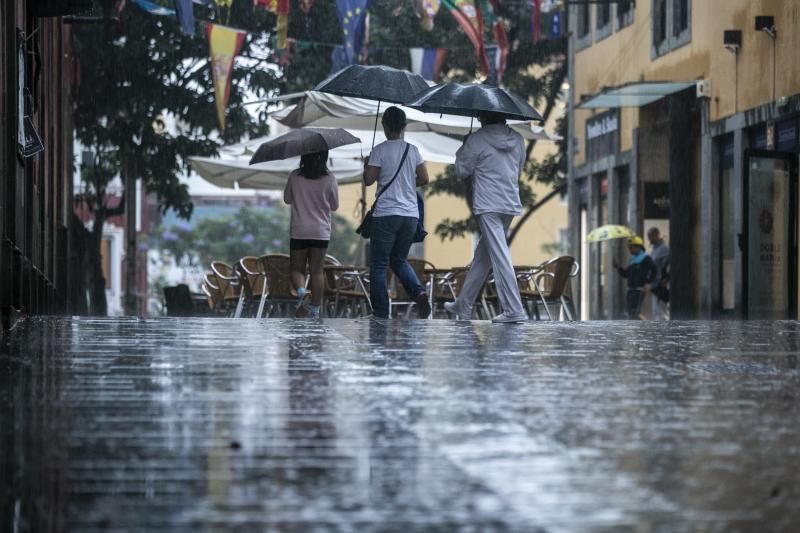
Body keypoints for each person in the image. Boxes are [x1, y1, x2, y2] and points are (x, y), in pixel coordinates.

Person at [444, 110, 528, 324]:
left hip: (488, 204)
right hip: (509, 202)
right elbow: (519, 168)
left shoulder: (477, 140)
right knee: (484, 258)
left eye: (481, 117)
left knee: (499, 255)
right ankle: (463, 304)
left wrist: (465, 146)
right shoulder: (518, 139)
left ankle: (514, 309)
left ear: (484, 118)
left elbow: (461, 170)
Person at [363, 106, 431, 319]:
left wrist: (367, 165)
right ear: (403, 126)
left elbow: (368, 180)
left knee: (379, 264)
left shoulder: (380, 150)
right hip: (410, 216)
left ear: (384, 125)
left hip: (386, 214)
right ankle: (418, 292)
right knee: (399, 260)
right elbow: (425, 179)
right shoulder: (413, 150)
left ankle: (381, 312)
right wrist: (408, 184)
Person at [283, 150, 339, 318]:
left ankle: (302, 291)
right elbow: (334, 205)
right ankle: (315, 310)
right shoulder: (330, 178)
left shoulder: (295, 176)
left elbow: (287, 199)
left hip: (300, 229)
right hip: (320, 231)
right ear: (324, 157)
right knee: (317, 271)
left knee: (296, 270)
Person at [613, 236, 657, 319]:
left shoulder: (646, 258)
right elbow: (626, 274)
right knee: (630, 313)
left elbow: (654, 270)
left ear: (638, 247)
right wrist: (618, 267)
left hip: (639, 289)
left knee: (635, 312)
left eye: (631, 247)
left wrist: (648, 283)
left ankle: (648, 327)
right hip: (631, 289)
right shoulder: (632, 260)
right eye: (629, 247)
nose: (629, 250)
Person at [647, 227, 670, 320]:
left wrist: (667, 279)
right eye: (648, 237)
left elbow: (670, 265)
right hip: (654, 285)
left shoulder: (664, 249)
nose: (649, 239)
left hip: (661, 284)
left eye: (650, 237)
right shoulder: (655, 250)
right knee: (656, 311)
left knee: (660, 313)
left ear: (656, 235)